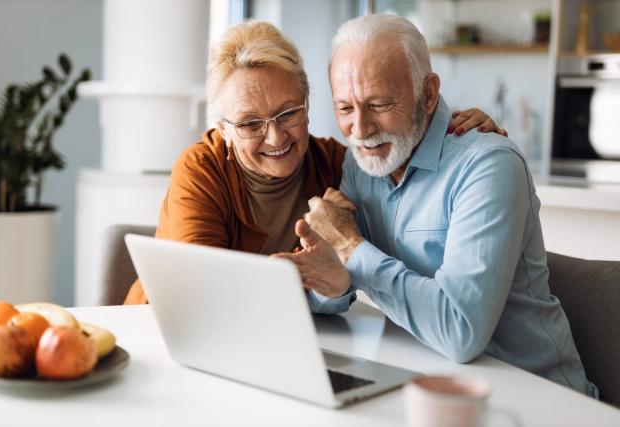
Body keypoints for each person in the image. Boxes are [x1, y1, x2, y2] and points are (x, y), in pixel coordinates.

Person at [277, 14, 598, 397]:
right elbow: (346, 282)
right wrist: (322, 281)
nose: (359, 131)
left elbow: (460, 332)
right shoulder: (362, 163)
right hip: (427, 386)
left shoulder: (488, 165)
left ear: (428, 95)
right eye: (345, 109)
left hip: (542, 400)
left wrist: (352, 250)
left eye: (378, 104)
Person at [123, 21, 503, 313]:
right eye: (251, 124)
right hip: (162, 330)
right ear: (223, 129)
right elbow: (201, 296)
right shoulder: (201, 168)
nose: (275, 138)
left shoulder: (340, 165)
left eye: (288, 113)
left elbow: (404, 172)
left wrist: (448, 124)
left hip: (280, 342)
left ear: (307, 103)